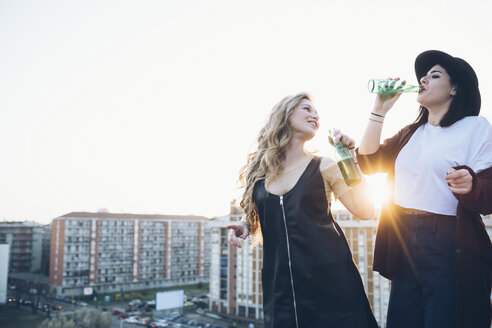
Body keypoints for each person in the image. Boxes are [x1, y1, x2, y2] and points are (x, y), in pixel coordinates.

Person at [355, 50, 492, 328]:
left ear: (454, 88)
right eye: (424, 75)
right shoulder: (411, 133)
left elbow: (488, 190)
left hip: (449, 243)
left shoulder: (476, 127)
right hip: (403, 240)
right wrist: (379, 109)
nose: (423, 79)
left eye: (435, 74)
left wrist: (471, 183)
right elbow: (369, 161)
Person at [226, 93, 379, 328]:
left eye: (316, 112)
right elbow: (266, 216)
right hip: (280, 292)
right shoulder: (261, 174)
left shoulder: (324, 165)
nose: (315, 115)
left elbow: (365, 210)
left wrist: (349, 158)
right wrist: (246, 226)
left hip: (332, 284)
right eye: (307, 109)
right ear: (285, 115)